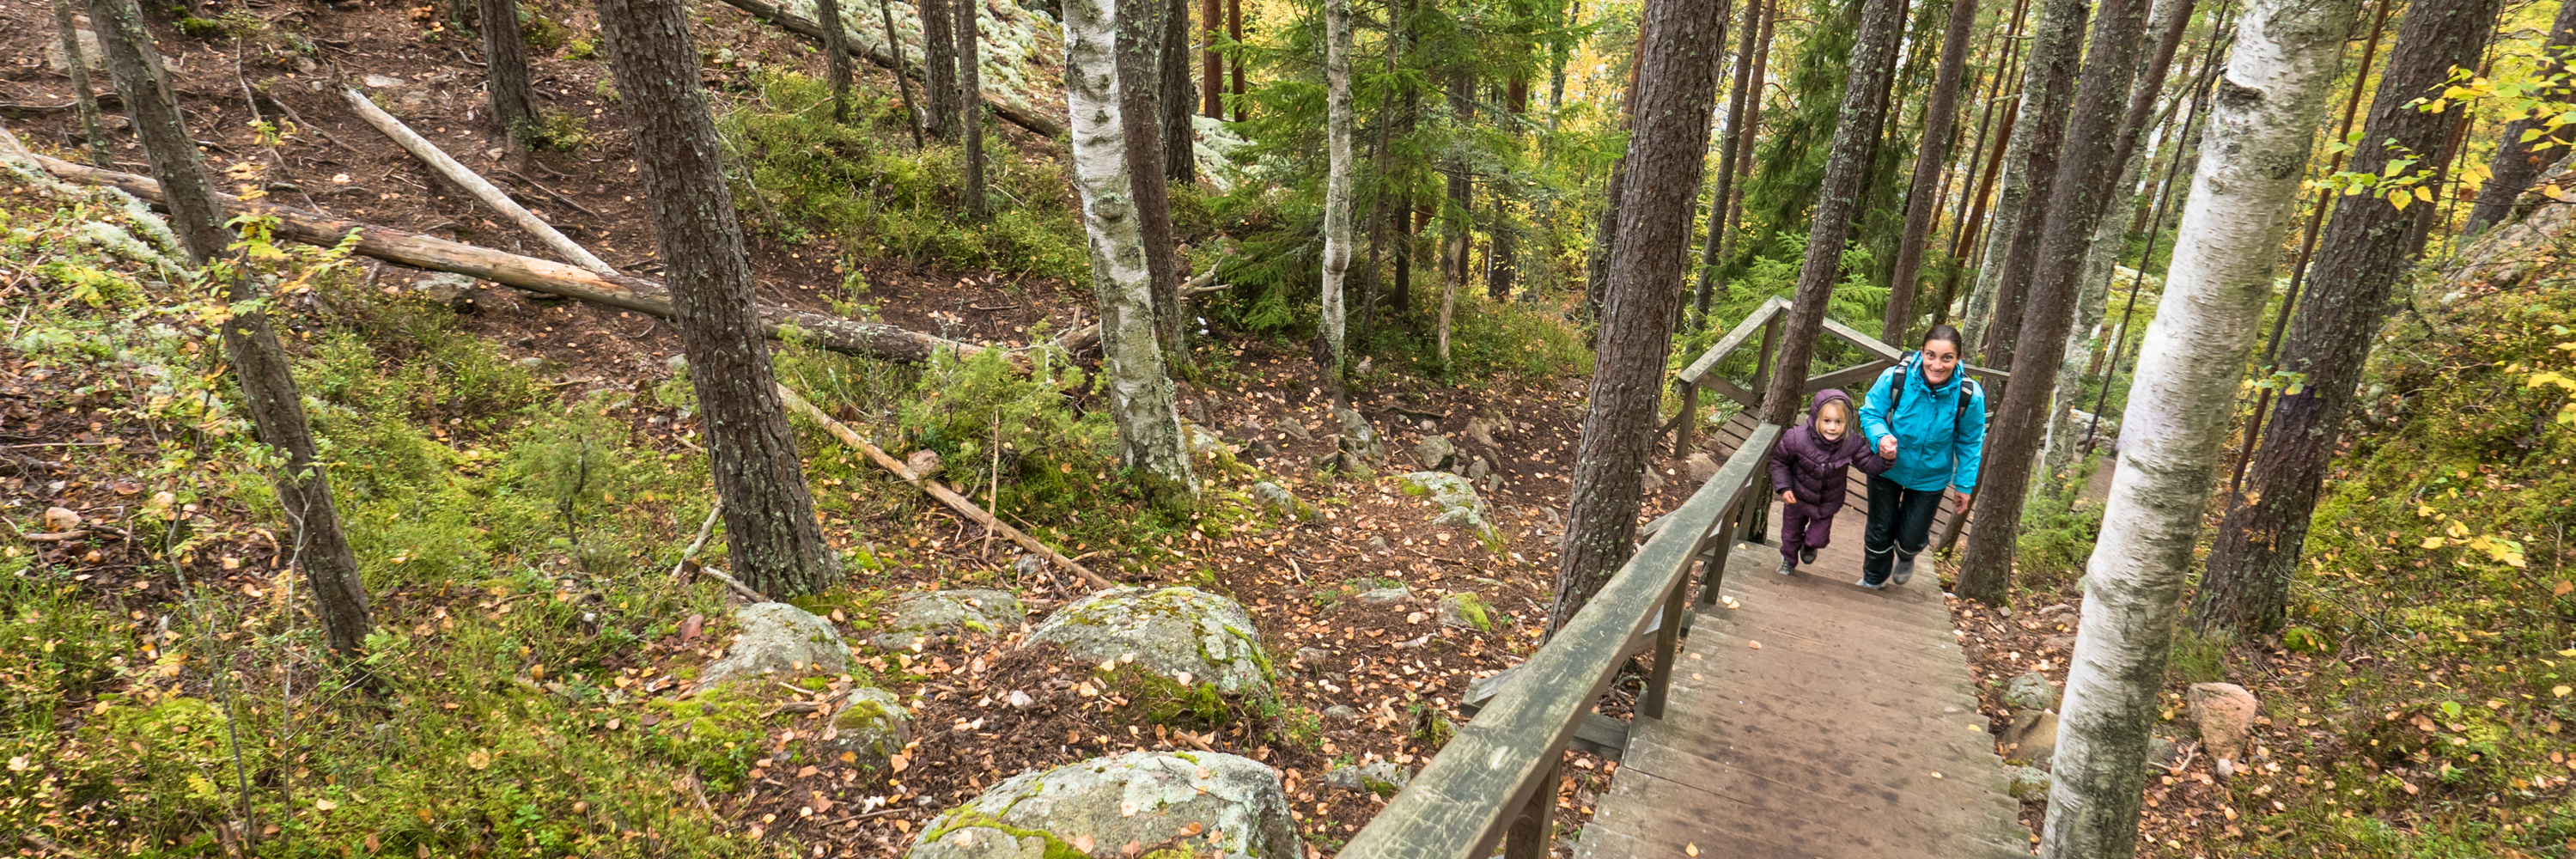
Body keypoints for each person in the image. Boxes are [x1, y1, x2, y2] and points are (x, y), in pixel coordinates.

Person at [1854, 325, 1987, 589]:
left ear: (1959, 358)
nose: (1937, 365)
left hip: (1931, 476)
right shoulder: (1896, 378)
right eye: (1931, 355)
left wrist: (1964, 485)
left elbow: (1970, 441)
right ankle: (1873, 579)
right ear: (1922, 353)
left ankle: (1906, 554)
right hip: (1886, 467)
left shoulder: (1969, 396)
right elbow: (1870, 413)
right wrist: (1881, 438)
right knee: (1880, 529)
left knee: (1912, 537)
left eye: (1946, 357)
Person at [1769, 389, 1891, 575]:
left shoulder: (1852, 443)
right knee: (1790, 535)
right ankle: (1788, 560)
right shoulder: (1796, 438)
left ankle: (1809, 546)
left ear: (1847, 423)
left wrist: (1885, 458)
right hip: (1797, 497)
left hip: (1827, 502)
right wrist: (1784, 487)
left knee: (1818, 538)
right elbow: (1779, 461)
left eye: (1838, 422)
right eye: (1827, 421)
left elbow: (1868, 464)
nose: (1832, 428)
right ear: (1815, 418)